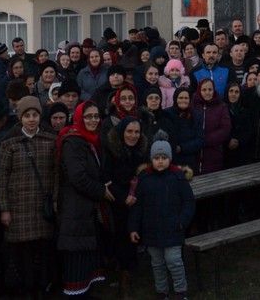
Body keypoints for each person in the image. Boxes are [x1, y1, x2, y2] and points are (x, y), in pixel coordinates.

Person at [0, 96, 58, 300]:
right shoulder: (9, 144)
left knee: (43, 253)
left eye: (35, 115)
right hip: (18, 209)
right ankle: (26, 292)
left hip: (42, 208)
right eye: (27, 116)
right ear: (20, 118)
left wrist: (56, 200)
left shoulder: (50, 141)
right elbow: (2, 178)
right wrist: (4, 208)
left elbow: (57, 173)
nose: (31, 119)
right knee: (22, 256)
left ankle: (42, 290)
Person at [56, 102, 115, 297]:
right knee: (77, 266)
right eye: (88, 116)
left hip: (86, 210)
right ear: (79, 118)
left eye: (96, 116)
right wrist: (101, 191)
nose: (93, 120)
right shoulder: (74, 141)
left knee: (86, 264)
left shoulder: (90, 140)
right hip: (76, 211)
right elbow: (77, 177)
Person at [129, 140, 197, 300]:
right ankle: (162, 291)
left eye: (164, 157)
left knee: (174, 260)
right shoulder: (144, 179)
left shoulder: (178, 178)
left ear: (170, 159)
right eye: (157, 157)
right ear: (151, 159)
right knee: (157, 263)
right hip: (151, 230)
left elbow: (189, 202)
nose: (160, 161)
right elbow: (136, 207)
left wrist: (182, 221)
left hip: (173, 228)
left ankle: (180, 291)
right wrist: (133, 228)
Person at [104, 117, 147, 297]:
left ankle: (131, 270)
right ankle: (124, 283)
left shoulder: (140, 150)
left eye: (136, 132)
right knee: (123, 240)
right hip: (118, 201)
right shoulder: (112, 150)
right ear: (122, 132)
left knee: (134, 236)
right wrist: (124, 198)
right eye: (129, 131)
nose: (133, 135)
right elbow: (106, 179)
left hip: (136, 200)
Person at [192, 78, 231, 174]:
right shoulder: (193, 105)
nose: (207, 93)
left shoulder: (221, 106)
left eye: (210, 89)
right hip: (194, 154)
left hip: (214, 153)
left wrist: (205, 140)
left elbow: (225, 129)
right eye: (204, 90)